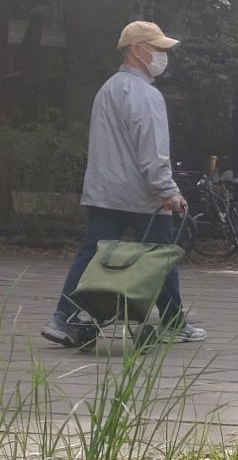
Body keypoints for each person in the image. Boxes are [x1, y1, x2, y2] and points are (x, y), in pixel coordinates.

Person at [41, 21, 206, 348]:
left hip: (105, 192)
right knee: (161, 257)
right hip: (143, 195)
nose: (161, 55)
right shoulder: (147, 95)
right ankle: (173, 322)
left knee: (92, 255)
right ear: (137, 50)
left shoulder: (108, 89)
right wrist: (168, 190)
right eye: (156, 48)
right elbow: (153, 150)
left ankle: (62, 316)